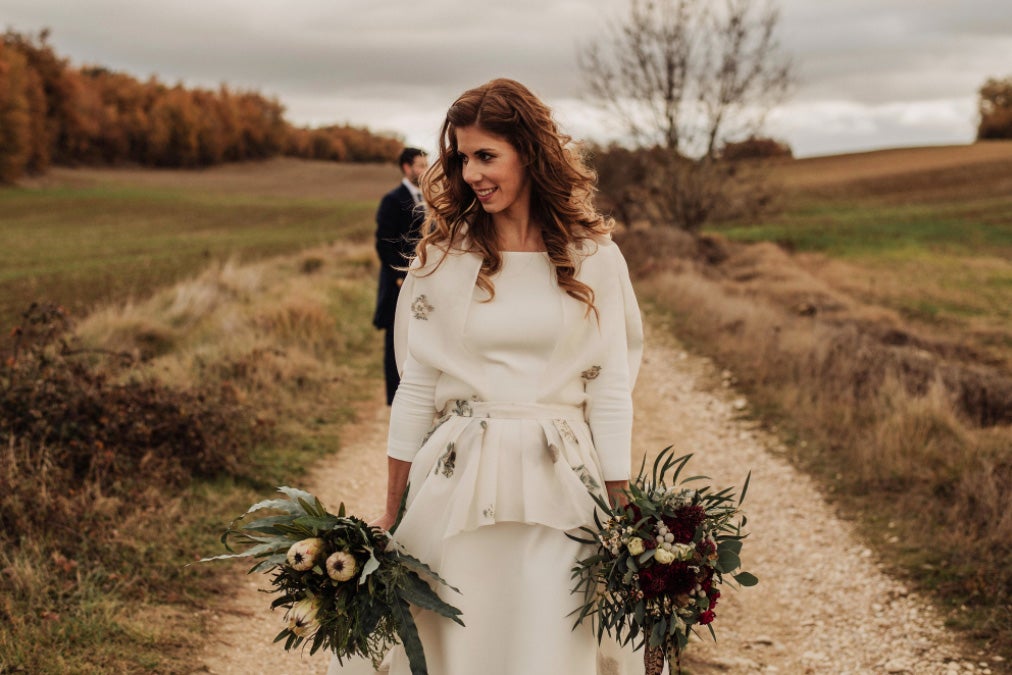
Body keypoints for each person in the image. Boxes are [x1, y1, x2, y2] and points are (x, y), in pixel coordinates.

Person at [332, 78, 643, 674]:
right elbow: (416, 385)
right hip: (457, 477)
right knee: (454, 636)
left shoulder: (594, 257)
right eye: (461, 157)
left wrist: (620, 500)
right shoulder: (440, 257)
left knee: (549, 637)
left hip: (562, 484)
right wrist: (392, 508)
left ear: (528, 152)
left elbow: (609, 384)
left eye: (485, 155)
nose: (471, 172)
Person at [373, 147, 429, 405]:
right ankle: (395, 399)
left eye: (426, 164)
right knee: (395, 336)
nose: (425, 169)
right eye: (420, 165)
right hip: (398, 280)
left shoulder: (427, 198)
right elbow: (384, 242)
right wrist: (399, 275)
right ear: (406, 168)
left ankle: (415, 395)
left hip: (422, 279)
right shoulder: (392, 200)